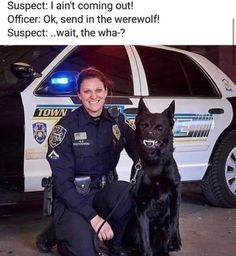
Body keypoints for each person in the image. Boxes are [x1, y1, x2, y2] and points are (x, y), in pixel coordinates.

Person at [41, 67, 136, 256]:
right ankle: (59, 237)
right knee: (86, 252)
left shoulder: (117, 121)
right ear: (79, 95)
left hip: (103, 193)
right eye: (87, 91)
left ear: (106, 92)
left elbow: (141, 151)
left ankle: (115, 245)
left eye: (98, 90)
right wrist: (94, 219)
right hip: (74, 197)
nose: (93, 96)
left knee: (128, 195)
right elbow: (63, 184)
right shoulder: (65, 128)